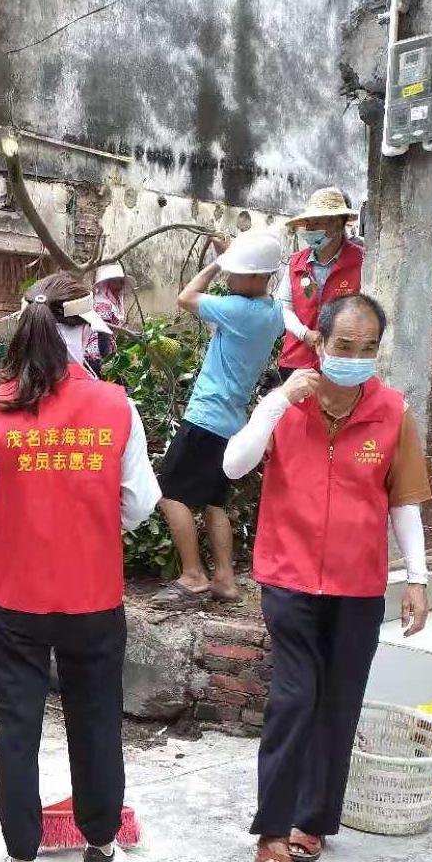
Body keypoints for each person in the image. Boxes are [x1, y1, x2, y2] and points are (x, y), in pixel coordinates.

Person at [0, 272, 161, 862]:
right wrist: (87, 522)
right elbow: (140, 504)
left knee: (16, 725)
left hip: (16, 595)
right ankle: (99, 854)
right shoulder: (116, 405)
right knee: (96, 719)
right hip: (94, 595)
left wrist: (17, 529)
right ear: (87, 329)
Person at [221, 293, 431, 862]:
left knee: (339, 702)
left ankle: (312, 821)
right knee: (294, 697)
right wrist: (274, 404)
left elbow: (404, 501)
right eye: (344, 346)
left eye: (368, 349)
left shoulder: (391, 412)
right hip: (289, 578)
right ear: (319, 343)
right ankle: (271, 830)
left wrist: (414, 577)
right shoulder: (287, 405)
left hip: (358, 585)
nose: (355, 358)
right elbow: (233, 466)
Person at [151, 227, 287, 608]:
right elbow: (252, 288)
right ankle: (225, 579)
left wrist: (215, 262)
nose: (231, 277)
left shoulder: (237, 310)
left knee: (167, 493)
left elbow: (185, 297)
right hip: (232, 423)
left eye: (237, 272)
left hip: (206, 417)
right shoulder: (272, 313)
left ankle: (193, 576)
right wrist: (235, 255)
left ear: (259, 276)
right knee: (213, 502)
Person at [277, 187, 363, 378]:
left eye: (315, 223)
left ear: (336, 223)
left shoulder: (361, 262)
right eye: (307, 223)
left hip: (340, 364)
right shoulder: (296, 262)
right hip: (296, 362)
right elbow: (283, 308)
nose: (308, 230)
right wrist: (305, 334)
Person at [83, 263, 134, 376]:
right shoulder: (103, 304)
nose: (119, 286)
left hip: (103, 354)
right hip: (96, 357)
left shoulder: (112, 303)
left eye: (121, 282)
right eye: (115, 282)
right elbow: (103, 334)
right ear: (107, 284)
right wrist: (107, 361)